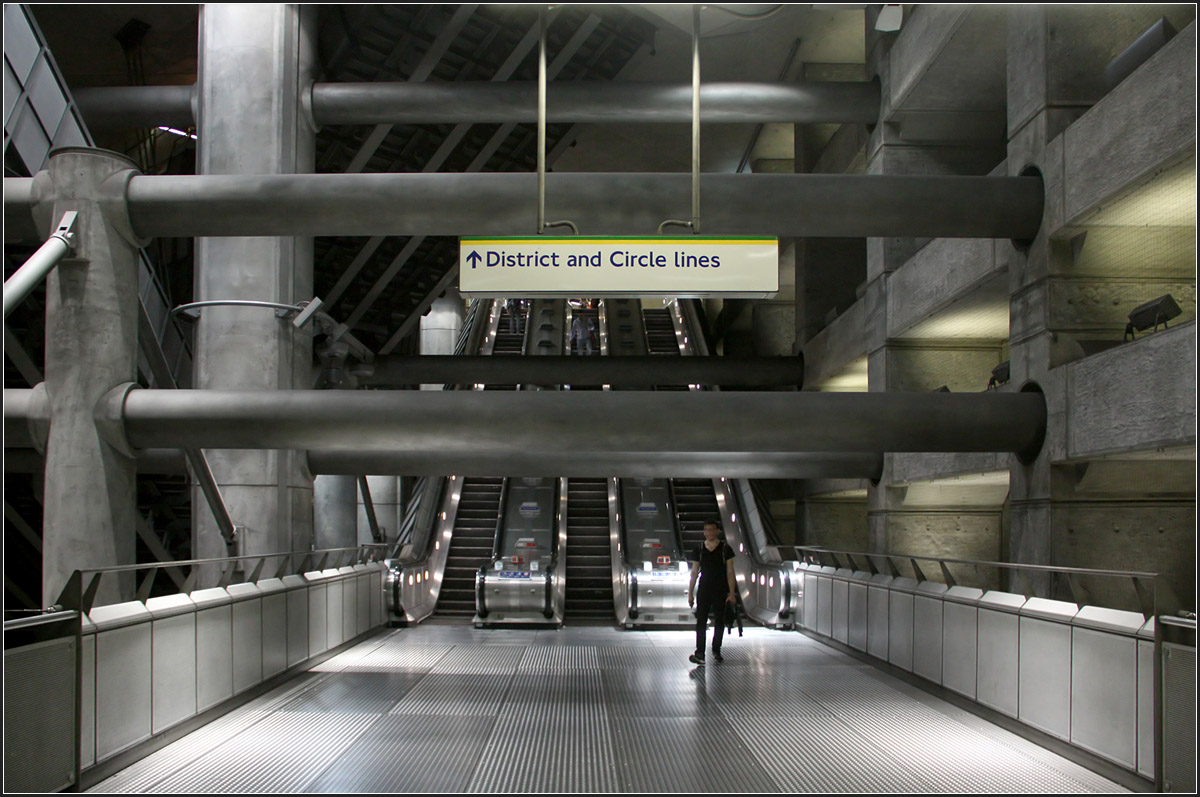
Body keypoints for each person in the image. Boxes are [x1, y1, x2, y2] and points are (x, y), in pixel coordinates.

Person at [687, 519, 737, 665]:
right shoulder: (699, 549)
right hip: (704, 589)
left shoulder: (725, 549)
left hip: (720, 589)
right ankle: (700, 652)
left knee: (719, 620)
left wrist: (732, 593)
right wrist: (690, 592)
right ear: (704, 532)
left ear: (717, 531)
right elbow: (694, 572)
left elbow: (730, 572)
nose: (709, 533)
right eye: (707, 530)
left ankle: (716, 649)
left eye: (712, 529)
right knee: (701, 621)